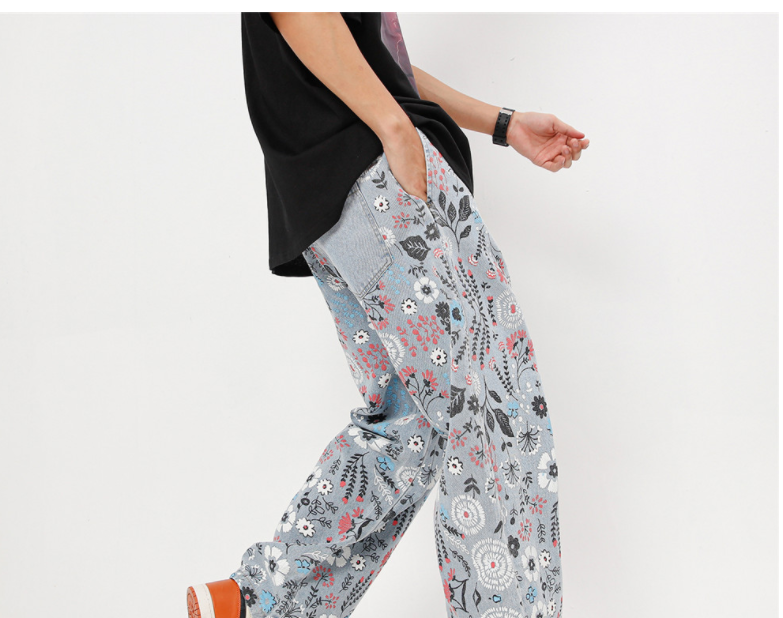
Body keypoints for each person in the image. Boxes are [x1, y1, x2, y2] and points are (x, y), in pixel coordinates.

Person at [186, 12, 588, 618]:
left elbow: (371, 54)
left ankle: (263, 601)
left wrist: (502, 124)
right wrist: (395, 130)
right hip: (376, 172)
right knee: (488, 410)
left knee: (410, 421)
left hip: (341, 187)